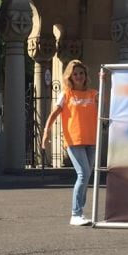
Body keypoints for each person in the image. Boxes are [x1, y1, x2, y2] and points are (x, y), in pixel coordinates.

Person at [41, 59, 99, 226]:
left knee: (86, 175)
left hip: (91, 140)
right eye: (75, 74)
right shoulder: (66, 94)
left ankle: (80, 212)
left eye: (81, 73)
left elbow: (104, 108)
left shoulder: (93, 94)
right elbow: (54, 113)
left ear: (85, 75)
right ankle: (75, 213)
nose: (78, 76)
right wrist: (46, 132)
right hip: (74, 140)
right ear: (70, 77)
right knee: (83, 173)